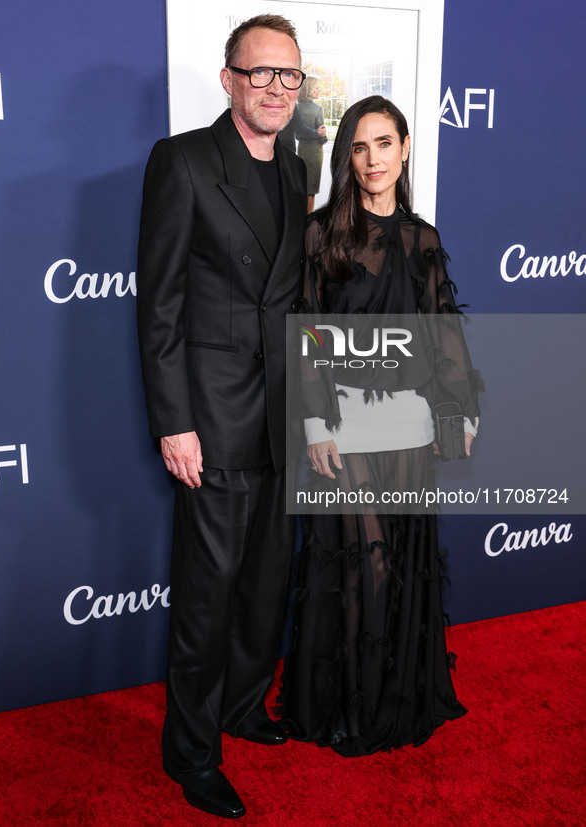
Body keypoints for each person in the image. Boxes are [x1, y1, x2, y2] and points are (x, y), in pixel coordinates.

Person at [136, 14, 307, 819]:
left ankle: (243, 706)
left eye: (288, 76)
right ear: (229, 78)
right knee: (206, 597)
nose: (275, 88)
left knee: (264, 585)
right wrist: (174, 420)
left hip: (285, 418)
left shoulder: (297, 170)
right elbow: (160, 302)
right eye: (261, 72)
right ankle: (192, 751)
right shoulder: (183, 160)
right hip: (212, 419)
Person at [278, 96, 481, 757]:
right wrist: (314, 422)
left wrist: (455, 410)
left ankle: (396, 699)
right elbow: (305, 331)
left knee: (399, 565)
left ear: (405, 146)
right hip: (343, 428)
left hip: (408, 426)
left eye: (383, 144)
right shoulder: (320, 235)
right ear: (346, 157)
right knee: (363, 565)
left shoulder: (422, 239)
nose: (371, 160)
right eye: (359, 148)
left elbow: (442, 333)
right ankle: (347, 709)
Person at [296, 77, 327, 213]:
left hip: (301, 150)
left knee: (302, 188)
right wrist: (323, 137)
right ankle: (308, 223)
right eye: (316, 88)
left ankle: (300, 222)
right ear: (309, 89)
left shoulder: (296, 108)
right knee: (311, 192)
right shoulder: (317, 109)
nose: (319, 90)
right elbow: (322, 136)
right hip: (314, 153)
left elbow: (297, 133)